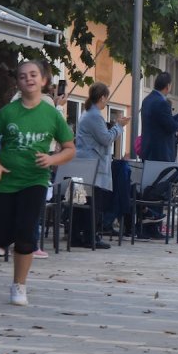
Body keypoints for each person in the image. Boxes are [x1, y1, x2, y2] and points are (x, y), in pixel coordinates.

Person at [0, 60, 75, 306]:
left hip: (35, 180)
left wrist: (53, 158)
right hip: (6, 180)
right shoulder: (8, 112)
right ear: (18, 82)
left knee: (25, 234)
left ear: (44, 80)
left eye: (34, 75)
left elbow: (70, 148)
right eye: (23, 76)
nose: (29, 79)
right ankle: (4, 242)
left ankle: (19, 285)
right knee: (0, 236)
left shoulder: (52, 115)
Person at [75, 81, 130, 248]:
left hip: (85, 163)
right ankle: (91, 237)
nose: (107, 102)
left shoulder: (87, 113)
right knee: (93, 203)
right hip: (93, 166)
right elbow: (105, 139)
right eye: (107, 98)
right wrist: (119, 127)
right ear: (102, 97)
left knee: (81, 202)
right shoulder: (95, 115)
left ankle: (76, 236)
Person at [139, 72, 178, 162]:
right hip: (160, 155)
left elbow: (164, 121)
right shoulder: (162, 103)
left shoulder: (147, 100)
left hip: (148, 153)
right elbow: (171, 127)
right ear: (168, 86)